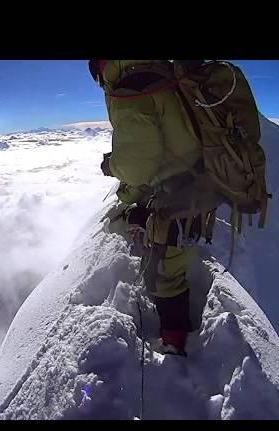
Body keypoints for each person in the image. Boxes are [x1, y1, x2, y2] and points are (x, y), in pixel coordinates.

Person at [89, 60, 215, 356]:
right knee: (168, 262)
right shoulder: (163, 74)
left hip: (177, 195)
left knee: (166, 273)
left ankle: (174, 342)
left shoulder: (130, 90)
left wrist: (112, 165)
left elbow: (136, 167)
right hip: (197, 181)